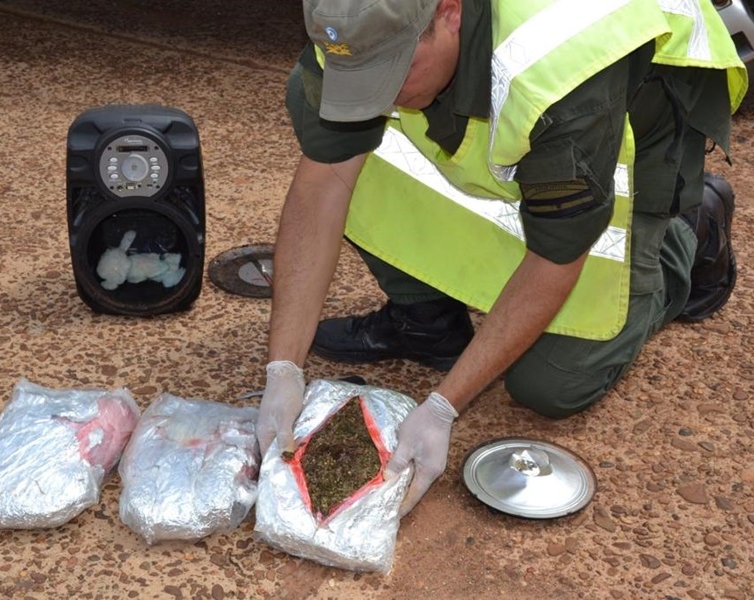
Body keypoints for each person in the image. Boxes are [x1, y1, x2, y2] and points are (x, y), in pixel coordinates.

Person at [255, 0, 748, 516]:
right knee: (320, 105)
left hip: (639, 114)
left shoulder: (556, 72)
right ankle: (424, 316)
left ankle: (686, 238)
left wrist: (444, 408)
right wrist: (284, 367)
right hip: (538, 113)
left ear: (449, 12)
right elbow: (322, 184)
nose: (380, 95)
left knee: (552, 386)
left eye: (393, 70)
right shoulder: (354, 19)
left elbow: (557, 256)